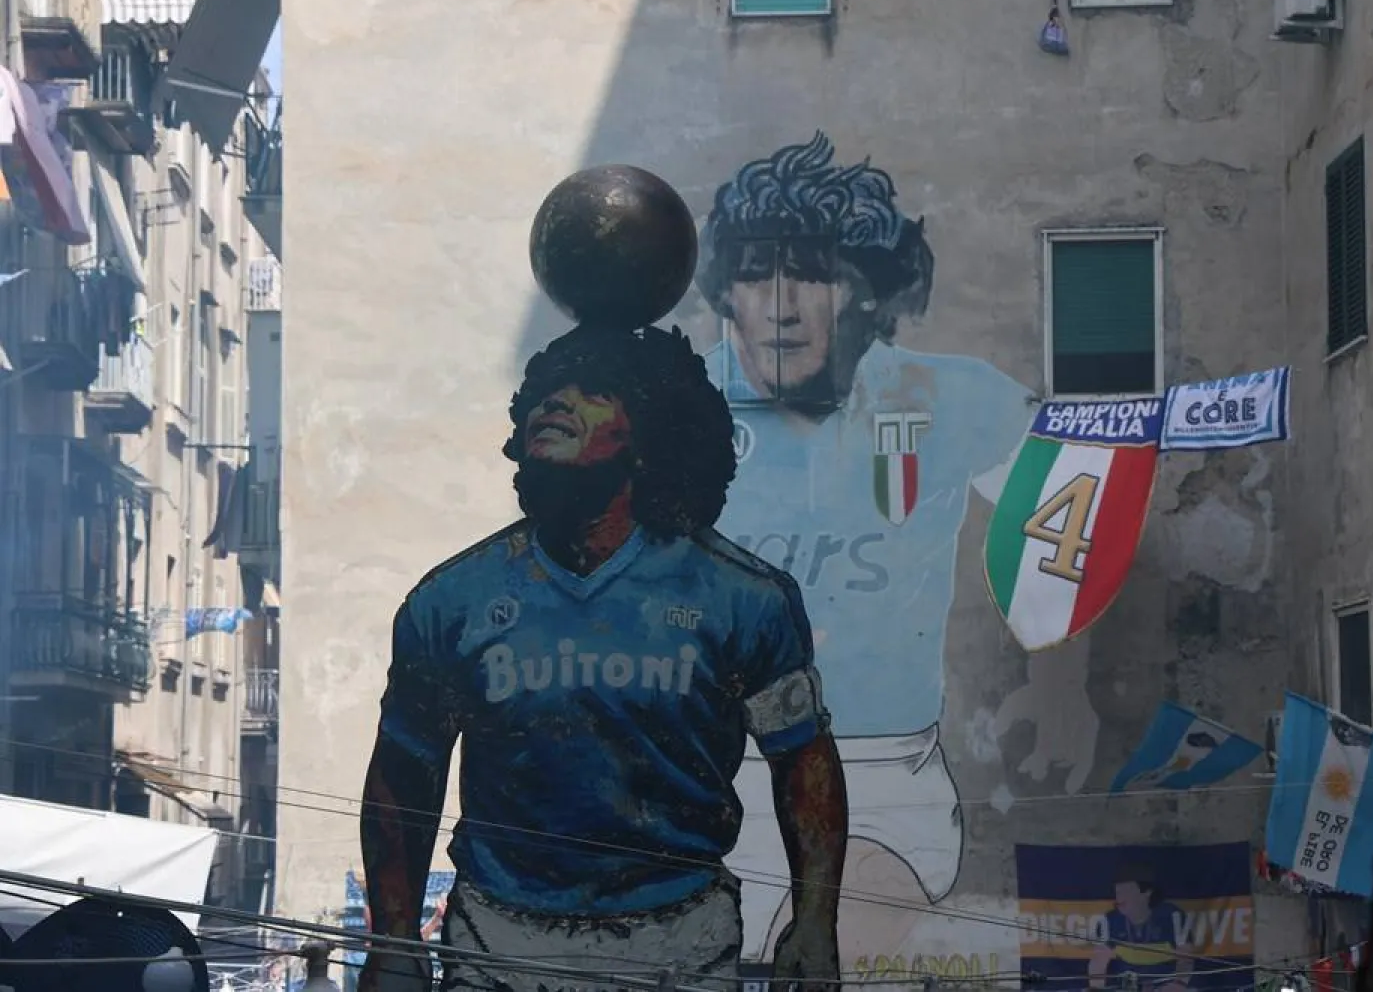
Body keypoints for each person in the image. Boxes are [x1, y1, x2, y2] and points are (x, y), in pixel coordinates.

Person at [358, 325, 850, 992]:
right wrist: (391, 941)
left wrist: (815, 920)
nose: (555, 405)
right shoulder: (452, 600)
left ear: (649, 436)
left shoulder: (743, 598)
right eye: (544, 393)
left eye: (593, 392)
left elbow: (803, 760)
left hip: (678, 940)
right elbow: (403, 773)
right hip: (497, 940)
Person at [696, 133, 1038, 957]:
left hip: (882, 773)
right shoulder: (682, 406)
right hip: (705, 771)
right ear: (724, 292)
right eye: (753, 272)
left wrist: (1064, 690)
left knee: (855, 948)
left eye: (811, 271)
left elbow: (1074, 496)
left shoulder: (953, 396)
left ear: (863, 293)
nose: (780, 304)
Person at [1087, 863, 1192, 991]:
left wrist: (1179, 984)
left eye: (1126, 891)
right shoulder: (1109, 921)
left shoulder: (1173, 916)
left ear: (1147, 892)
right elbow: (1098, 961)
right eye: (1117, 892)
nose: (1119, 898)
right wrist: (1096, 989)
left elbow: (1185, 958)